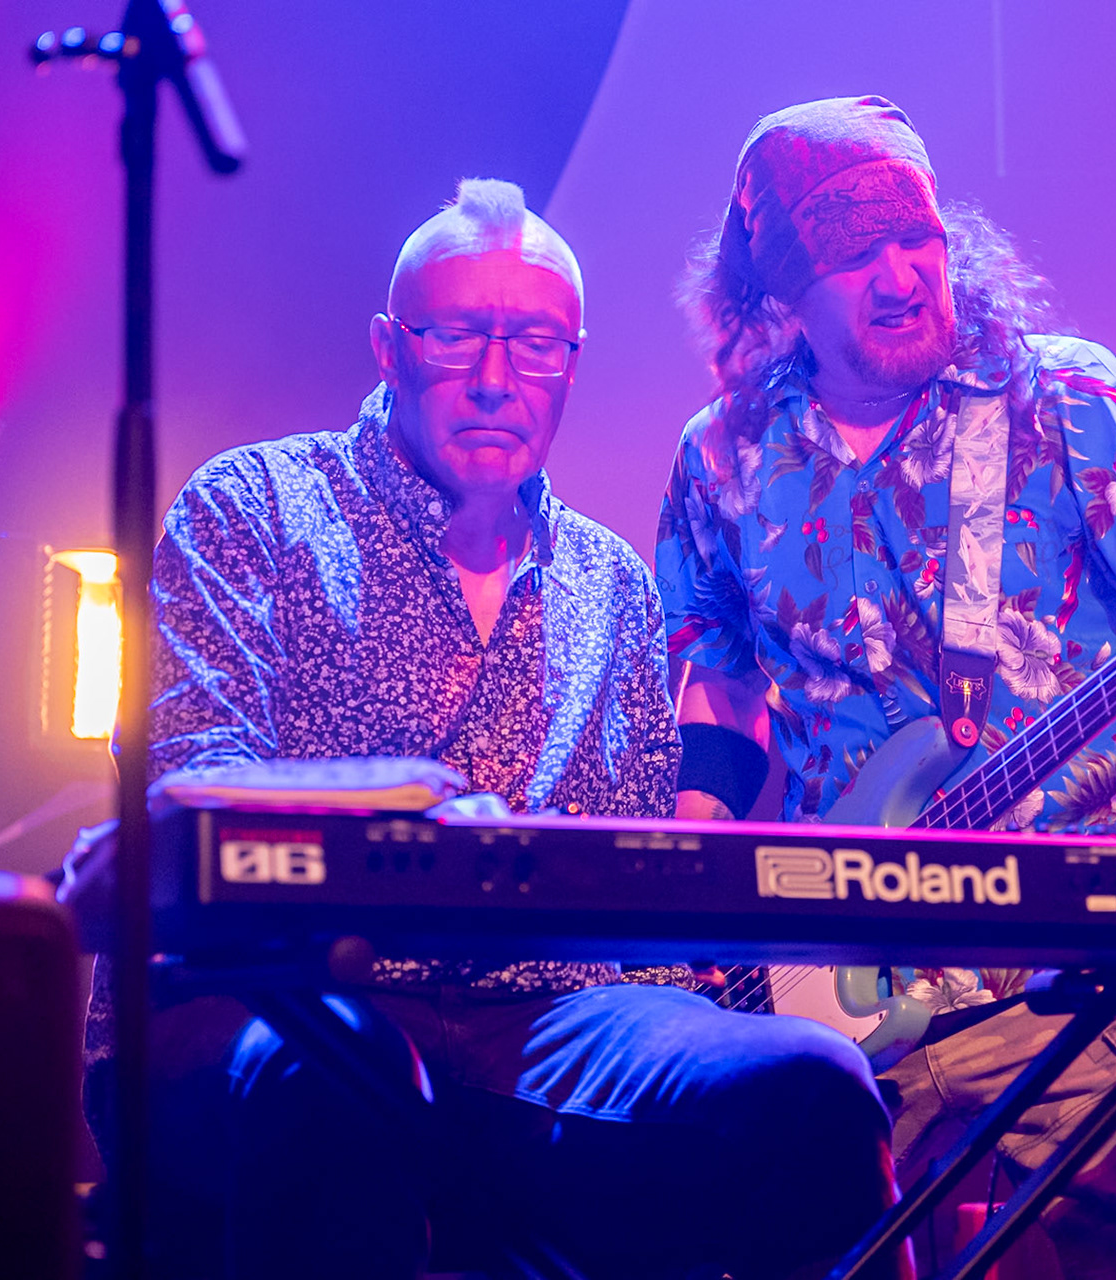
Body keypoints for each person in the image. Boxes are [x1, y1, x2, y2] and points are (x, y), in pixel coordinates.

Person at [81, 178, 906, 1280]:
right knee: (347, 1076)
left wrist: (703, 969)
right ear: (389, 348)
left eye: (536, 345)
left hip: (536, 1019)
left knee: (811, 1087)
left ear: (572, 363)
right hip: (267, 999)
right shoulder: (252, 506)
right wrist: (413, 812)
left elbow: (624, 904)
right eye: (457, 335)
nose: (494, 378)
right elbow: (188, 780)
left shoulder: (611, 581)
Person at [656, 97, 1116, 1279]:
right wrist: (699, 884)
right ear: (782, 296)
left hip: (1091, 972)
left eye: (915, 238)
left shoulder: (1066, 399)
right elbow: (722, 681)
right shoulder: (721, 456)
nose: (901, 276)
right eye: (854, 255)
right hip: (839, 1001)